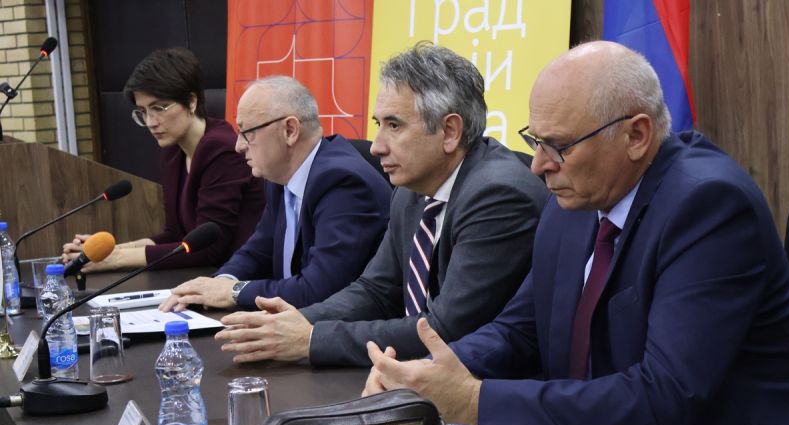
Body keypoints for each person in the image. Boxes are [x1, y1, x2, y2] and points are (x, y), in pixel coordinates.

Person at [363, 41, 789, 425]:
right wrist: (429, 373)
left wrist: (476, 401)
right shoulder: (576, 198)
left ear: (636, 136)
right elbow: (522, 328)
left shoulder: (708, 208)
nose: (537, 166)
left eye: (558, 146)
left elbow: (665, 399)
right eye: (535, 141)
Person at [213, 42, 549, 366]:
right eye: (379, 124)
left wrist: (312, 339)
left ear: (449, 131)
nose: (376, 147)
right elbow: (375, 290)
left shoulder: (498, 195)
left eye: (394, 125)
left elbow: (444, 330)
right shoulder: (412, 188)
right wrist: (296, 322)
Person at [158, 76, 392, 311]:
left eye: (247, 132)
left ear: (290, 130)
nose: (238, 146)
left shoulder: (342, 184)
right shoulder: (279, 177)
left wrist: (233, 292)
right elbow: (257, 251)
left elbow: (319, 290)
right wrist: (220, 283)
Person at [62, 47, 264, 270]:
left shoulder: (221, 149)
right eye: (143, 112)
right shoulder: (173, 151)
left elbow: (208, 249)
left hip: (242, 277)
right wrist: (106, 251)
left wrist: (115, 259)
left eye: (159, 108)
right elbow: (175, 235)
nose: (151, 122)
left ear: (191, 101)